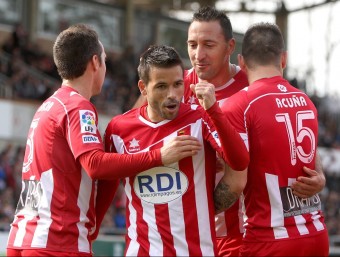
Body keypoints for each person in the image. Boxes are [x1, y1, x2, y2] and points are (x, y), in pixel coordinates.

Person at [132, 6, 326, 256]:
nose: (198, 55)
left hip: (241, 233)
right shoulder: (174, 85)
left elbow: (295, 132)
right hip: (189, 229)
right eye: (192, 44)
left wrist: (318, 174)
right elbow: (136, 128)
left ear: (230, 47)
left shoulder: (252, 87)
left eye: (208, 45)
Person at [5, 24, 204, 257]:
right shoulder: (78, 107)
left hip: (24, 236)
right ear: (95, 62)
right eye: (105, 60)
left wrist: (95, 223)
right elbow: (95, 165)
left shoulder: (48, 106)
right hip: (57, 241)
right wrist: (159, 155)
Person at [104, 45, 248, 256]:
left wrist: (214, 110)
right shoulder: (119, 129)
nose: (172, 95)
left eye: (178, 84)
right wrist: (160, 156)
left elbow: (239, 161)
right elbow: (102, 174)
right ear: (143, 87)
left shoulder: (200, 117)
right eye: (162, 86)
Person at [207, 22, 329, 256]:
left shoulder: (238, 106)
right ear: (283, 59)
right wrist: (320, 176)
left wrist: (197, 210)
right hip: (316, 234)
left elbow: (235, 183)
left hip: (270, 238)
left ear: (241, 62)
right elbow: (311, 154)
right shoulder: (306, 101)